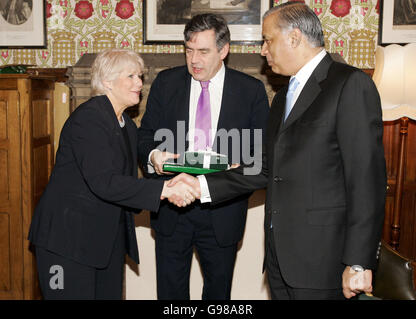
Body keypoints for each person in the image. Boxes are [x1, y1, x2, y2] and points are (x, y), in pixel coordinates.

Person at [170, 2, 387, 300]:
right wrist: (200, 184)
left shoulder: (349, 84)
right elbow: (265, 167)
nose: (262, 50)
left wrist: (359, 261)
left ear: (294, 37)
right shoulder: (283, 96)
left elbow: (367, 181)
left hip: (325, 262)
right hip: (279, 261)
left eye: (267, 40)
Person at [28, 49, 197, 300]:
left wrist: (157, 163)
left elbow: (125, 180)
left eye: (140, 76)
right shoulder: (89, 119)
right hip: (66, 243)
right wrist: (165, 190)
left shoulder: (125, 124)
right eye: (130, 76)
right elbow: (105, 182)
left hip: (102, 244)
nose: (139, 83)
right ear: (107, 81)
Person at [137, 13, 269, 299]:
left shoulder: (251, 91)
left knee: (218, 296)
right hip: (172, 208)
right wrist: (154, 157)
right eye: (189, 49)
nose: (194, 60)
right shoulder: (166, 83)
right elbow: (144, 138)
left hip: (222, 212)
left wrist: (240, 167)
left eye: (204, 51)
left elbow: (261, 158)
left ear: (224, 50)